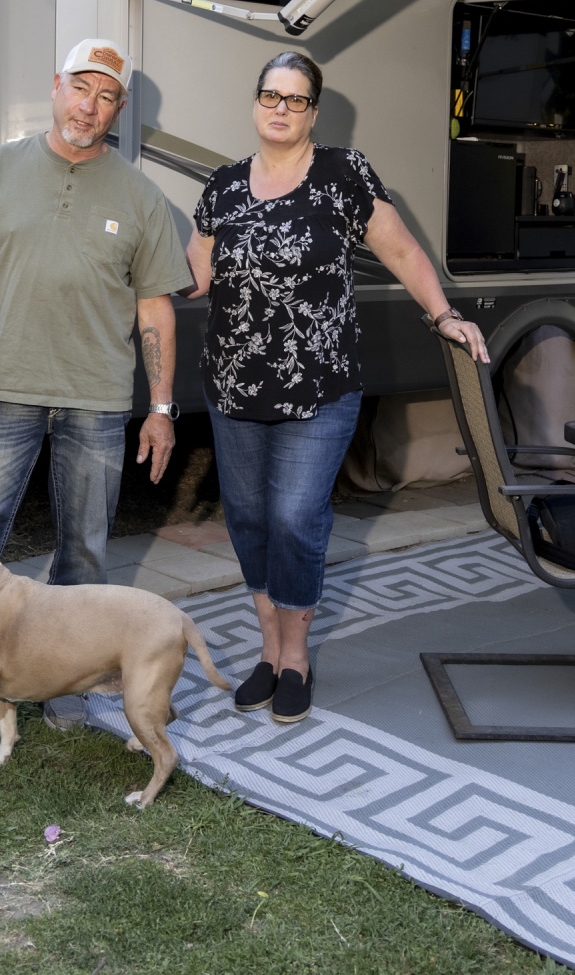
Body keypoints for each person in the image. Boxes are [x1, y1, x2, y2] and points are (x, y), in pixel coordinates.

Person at [0, 38, 194, 741]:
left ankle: (65, 683)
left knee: (83, 550)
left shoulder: (142, 198)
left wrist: (163, 407)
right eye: (82, 87)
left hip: (99, 398)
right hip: (5, 390)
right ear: (56, 87)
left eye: (107, 96)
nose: (91, 105)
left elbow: (155, 310)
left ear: (118, 109)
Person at [185, 50, 488, 725]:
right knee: (251, 520)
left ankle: (296, 658)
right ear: (255, 103)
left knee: (296, 516)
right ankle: (266, 654)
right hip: (234, 388)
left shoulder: (342, 174)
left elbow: (403, 248)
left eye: (295, 100)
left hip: (320, 387)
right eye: (271, 95)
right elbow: (197, 264)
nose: (281, 109)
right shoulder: (225, 186)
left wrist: (444, 314)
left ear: (313, 112)